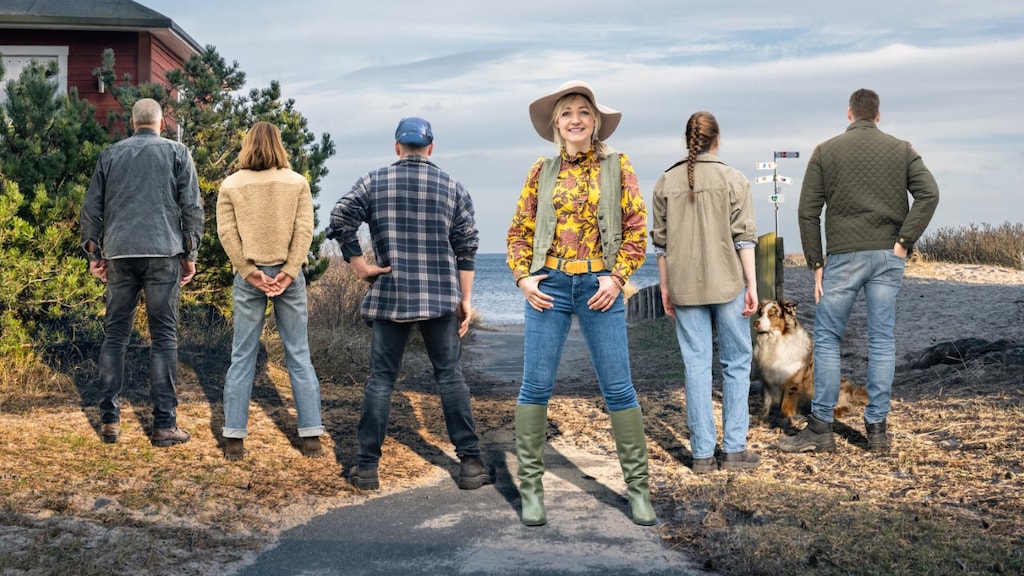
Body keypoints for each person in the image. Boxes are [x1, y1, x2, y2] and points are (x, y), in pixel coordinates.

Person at [506, 80, 655, 526]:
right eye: (568, 112)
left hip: (599, 287)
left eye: (584, 112)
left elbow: (635, 229)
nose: (576, 119)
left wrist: (617, 277)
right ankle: (531, 491)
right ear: (557, 124)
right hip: (548, 285)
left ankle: (639, 491)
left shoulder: (618, 166)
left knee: (618, 388)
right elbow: (519, 231)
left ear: (595, 123)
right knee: (535, 387)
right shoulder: (541, 170)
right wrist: (523, 278)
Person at [327, 117, 494, 491]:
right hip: (439, 298)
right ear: (431, 148)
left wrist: (359, 266)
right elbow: (466, 248)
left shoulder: (373, 181)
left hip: (391, 293)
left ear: (397, 147)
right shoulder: (452, 187)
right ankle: (469, 464)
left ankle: (367, 468)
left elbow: (341, 218)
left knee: (381, 380)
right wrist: (465, 300)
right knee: (450, 376)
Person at [780, 88, 939, 454]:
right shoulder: (902, 149)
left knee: (829, 338)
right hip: (888, 255)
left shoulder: (826, 151)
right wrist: (903, 241)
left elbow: (808, 212)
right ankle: (878, 430)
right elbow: (929, 194)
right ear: (877, 116)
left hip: (843, 257)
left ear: (849, 114)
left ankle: (821, 428)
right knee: (882, 340)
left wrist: (815, 263)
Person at [79, 98, 204, 447]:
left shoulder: (110, 155)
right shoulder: (178, 154)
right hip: (164, 252)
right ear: (161, 124)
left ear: (132, 123)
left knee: (115, 335)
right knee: (164, 337)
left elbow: (91, 208)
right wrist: (190, 252)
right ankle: (164, 426)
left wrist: (94, 252)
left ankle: (109, 421)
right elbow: (192, 206)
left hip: (119, 253)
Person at [650, 111, 760, 474]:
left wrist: (665, 286)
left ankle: (701, 455)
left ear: (687, 141)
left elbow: (661, 245)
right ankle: (733, 449)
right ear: (717, 139)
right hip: (727, 281)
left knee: (696, 365)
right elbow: (744, 239)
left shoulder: (665, 181)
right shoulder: (734, 178)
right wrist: (753, 286)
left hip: (684, 285)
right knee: (736, 363)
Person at [216, 122, 325, 461]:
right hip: (288, 277)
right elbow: (304, 229)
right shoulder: (298, 183)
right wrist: (290, 271)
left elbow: (227, 233)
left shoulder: (231, 184)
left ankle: (234, 437)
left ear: (247, 145)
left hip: (250, 277)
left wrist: (249, 273)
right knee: (298, 354)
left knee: (242, 355)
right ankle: (311, 437)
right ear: (280, 145)